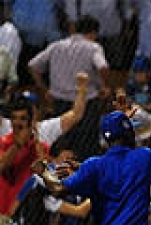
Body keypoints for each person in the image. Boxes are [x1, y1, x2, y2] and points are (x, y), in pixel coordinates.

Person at [28, 15, 110, 160]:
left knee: (61, 146)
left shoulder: (57, 45)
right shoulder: (93, 47)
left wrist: (44, 89)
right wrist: (104, 86)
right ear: (93, 33)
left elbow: (33, 65)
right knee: (86, 149)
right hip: (86, 105)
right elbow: (102, 66)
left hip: (59, 103)